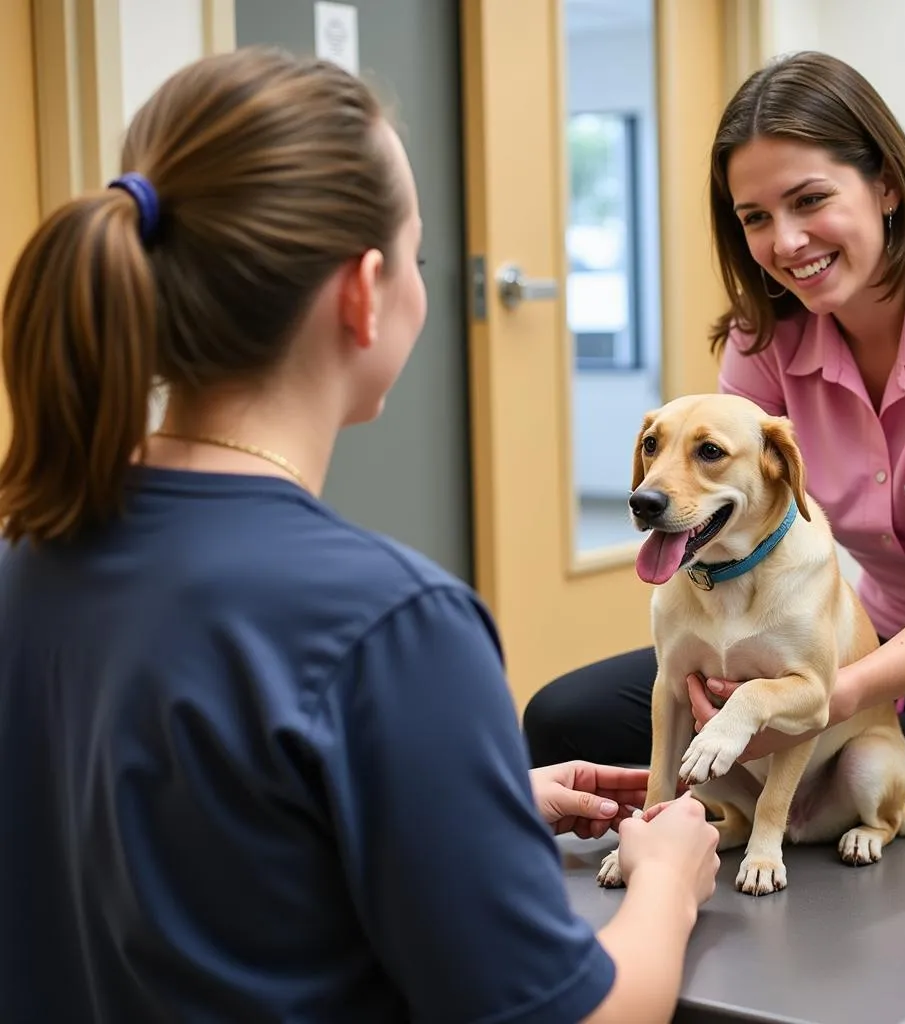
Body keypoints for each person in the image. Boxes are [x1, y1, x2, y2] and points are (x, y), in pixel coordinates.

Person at [0, 47, 721, 1024]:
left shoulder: (29, 549)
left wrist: (467, 800)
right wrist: (667, 882)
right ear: (363, 289)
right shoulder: (389, 625)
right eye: (419, 257)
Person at [523, 48, 905, 1022]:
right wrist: (727, 672)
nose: (785, 241)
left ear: (883, 183)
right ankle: (714, 944)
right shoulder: (761, 339)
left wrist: (819, 697)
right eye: (754, 217)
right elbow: (725, 516)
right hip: (857, 639)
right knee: (568, 715)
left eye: (808, 201)